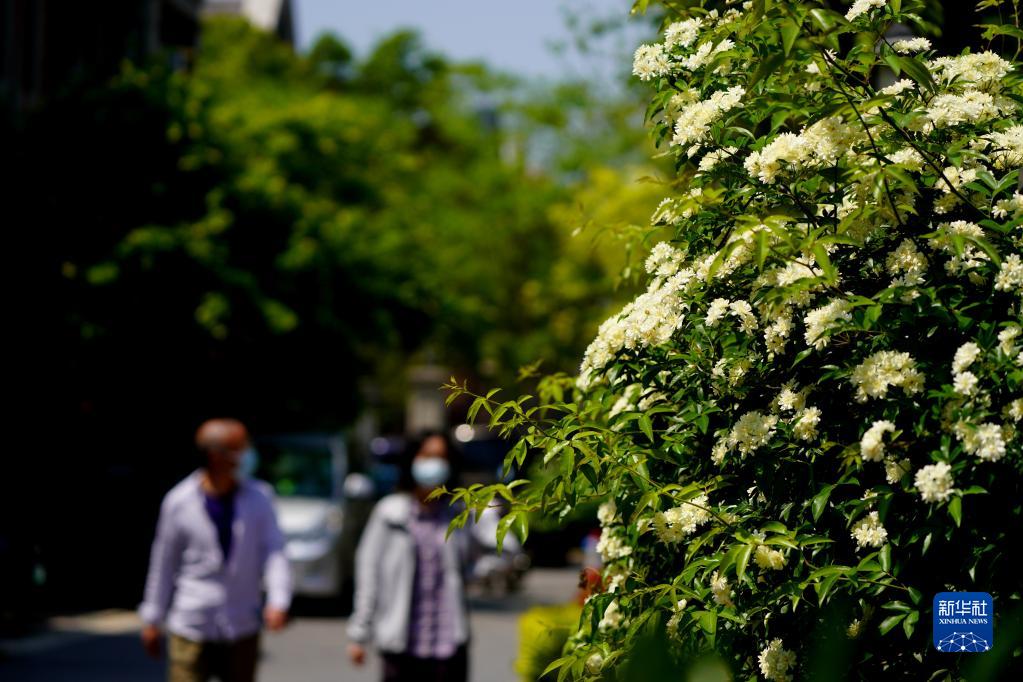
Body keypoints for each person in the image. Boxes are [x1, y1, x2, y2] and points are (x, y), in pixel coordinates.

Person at [139, 418, 292, 682]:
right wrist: (153, 616)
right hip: (191, 622)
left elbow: (274, 551)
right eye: (238, 450)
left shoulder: (260, 498)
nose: (246, 456)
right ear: (215, 456)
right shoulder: (179, 502)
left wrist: (278, 599)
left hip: (242, 622)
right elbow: (164, 562)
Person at [346, 431, 473, 682]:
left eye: (441, 457)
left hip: (448, 645)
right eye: (428, 455)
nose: (434, 463)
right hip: (400, 645)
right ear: (413, 459)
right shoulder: (389, 513)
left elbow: (478, 560)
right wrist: (360, 632)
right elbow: (368, 572)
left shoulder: (458, 515)